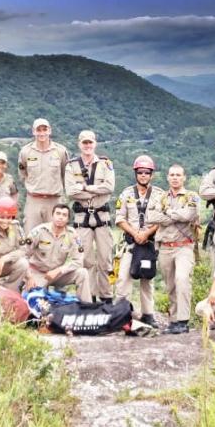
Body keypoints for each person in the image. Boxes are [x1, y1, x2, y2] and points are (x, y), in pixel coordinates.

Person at [146, 164, 200, 334]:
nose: (175, 177)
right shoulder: (160, 197)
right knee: (170, 285)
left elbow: (188, 215)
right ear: (167, 177)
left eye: (178, 174)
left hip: (184, 246)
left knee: (182, 279)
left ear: (184, 177)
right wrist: (175, 215)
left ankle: (183, 321)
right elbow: (150, 216)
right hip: (165, 247)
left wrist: (167, 213)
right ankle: (174, 320)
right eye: (172, 175)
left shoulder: (192, 196)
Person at [64, 130, 115, 302]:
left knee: (105, 259)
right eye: (84, 143)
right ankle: (90, 296)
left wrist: (85, 188)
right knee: (85, 260)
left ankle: (107, 296)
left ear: (95, 144)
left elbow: (109, 187)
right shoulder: (71, 166)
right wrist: (95, 190)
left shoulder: (105, 164)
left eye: (90, 142)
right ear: (79, 144)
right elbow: (71, 192)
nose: (87, 146)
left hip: (102, 216)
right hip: (81, 218)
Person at [114, 155, 165, 327]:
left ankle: (148, 314)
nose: (143, 175)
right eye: (140, 172)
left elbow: (163, 219)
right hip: (131, 243)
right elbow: (120, 218)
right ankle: (121, 313)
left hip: (149, 244)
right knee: (123, 277)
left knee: (147, 279)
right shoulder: (126, 194)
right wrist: (135, 233)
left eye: (147, 172)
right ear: (136, 173)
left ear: (151, 174)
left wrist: (147, 233)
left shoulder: (159, 195)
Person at [24, 203, 92, 302]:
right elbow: (23, 254)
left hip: (58, 274)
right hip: (38, 273)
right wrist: (29, 277)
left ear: (68, 219)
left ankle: (87, 308)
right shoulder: (39, 231)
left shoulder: (72, 235)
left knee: (82, 273)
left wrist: (59, 270)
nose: (60, 217)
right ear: (52, 216)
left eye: (64, 215)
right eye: (58, 214)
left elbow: (78, 261)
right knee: (31, 299)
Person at [18, 118, 69, 233]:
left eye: (44, 130)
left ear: (50, 131)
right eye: (38, 130)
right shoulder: (25, 152)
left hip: (54, 201)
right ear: (33, 131)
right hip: (33, 201)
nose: (42, 133)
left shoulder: (60, 151)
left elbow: (65, 174)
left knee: (56, 236)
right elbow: (22, 174)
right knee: (30, 237)